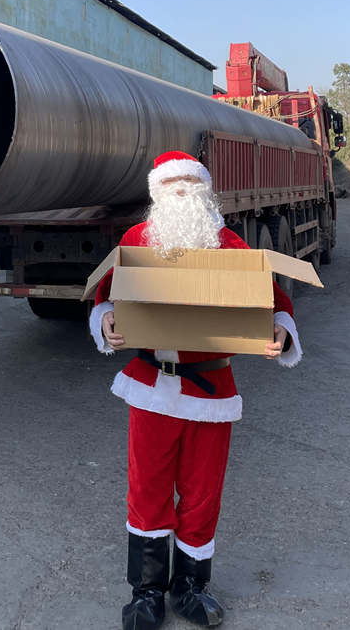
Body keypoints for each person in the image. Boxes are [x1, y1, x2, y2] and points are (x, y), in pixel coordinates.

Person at [88, 150, 302, 629]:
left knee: (203, 493)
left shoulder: (229, 245)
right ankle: (146, 590)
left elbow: (274, 299)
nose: (183, 191)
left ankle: (190, 586)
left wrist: (281, 329)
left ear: (206, 191)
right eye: (173, 184)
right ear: (157, 192)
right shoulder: (137, 240)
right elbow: (105, 294)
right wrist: (106, 321)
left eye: (191, 182)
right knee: (147, 488)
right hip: (151, 387)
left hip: (211, 392)